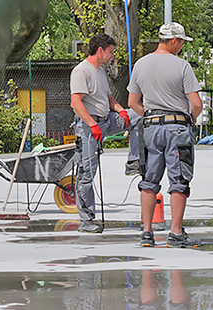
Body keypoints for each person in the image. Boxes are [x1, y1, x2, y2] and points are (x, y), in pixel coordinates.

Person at [128, 22, 203, 248]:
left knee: (149, 180)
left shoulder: (140, 65)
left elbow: (132, 102)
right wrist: (190, 118)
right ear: (173, 41)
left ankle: (147, 233)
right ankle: (176, 232)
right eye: (181, 42)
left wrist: (149, 115)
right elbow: (196, 103)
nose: (181, 47)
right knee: (179, 180)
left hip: (151, 128)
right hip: (177, 128)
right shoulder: (182, 66)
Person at [70, 33, 142, 233]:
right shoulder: (81, 71)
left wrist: (121, 111)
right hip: (89, 127)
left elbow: (109, 98)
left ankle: (133, 161)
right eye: (110, 52)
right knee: (87, 173)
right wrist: (92, 125)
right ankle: (86, 221)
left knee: (138, 115)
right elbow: (76, 102)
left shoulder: (100, 71)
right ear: (100, 50)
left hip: (107, 120)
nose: (112, 56)